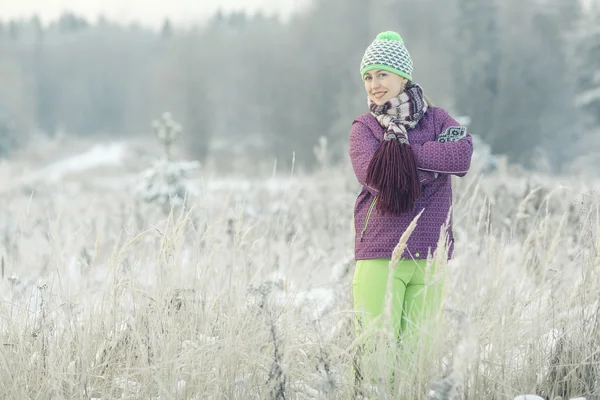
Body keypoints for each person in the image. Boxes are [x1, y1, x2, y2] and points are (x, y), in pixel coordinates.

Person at [349, 31, 473, 387]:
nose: (373, 84)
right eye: (368, 77)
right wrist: (433, 161)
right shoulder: (365, 126)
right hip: (379, 254)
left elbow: (461, 155)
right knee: (374, 359)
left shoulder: (438, 119)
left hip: (430, 257)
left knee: (415, 365)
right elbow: (376, 176)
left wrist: (402, 155)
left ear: (403, 76)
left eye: (381, 74)